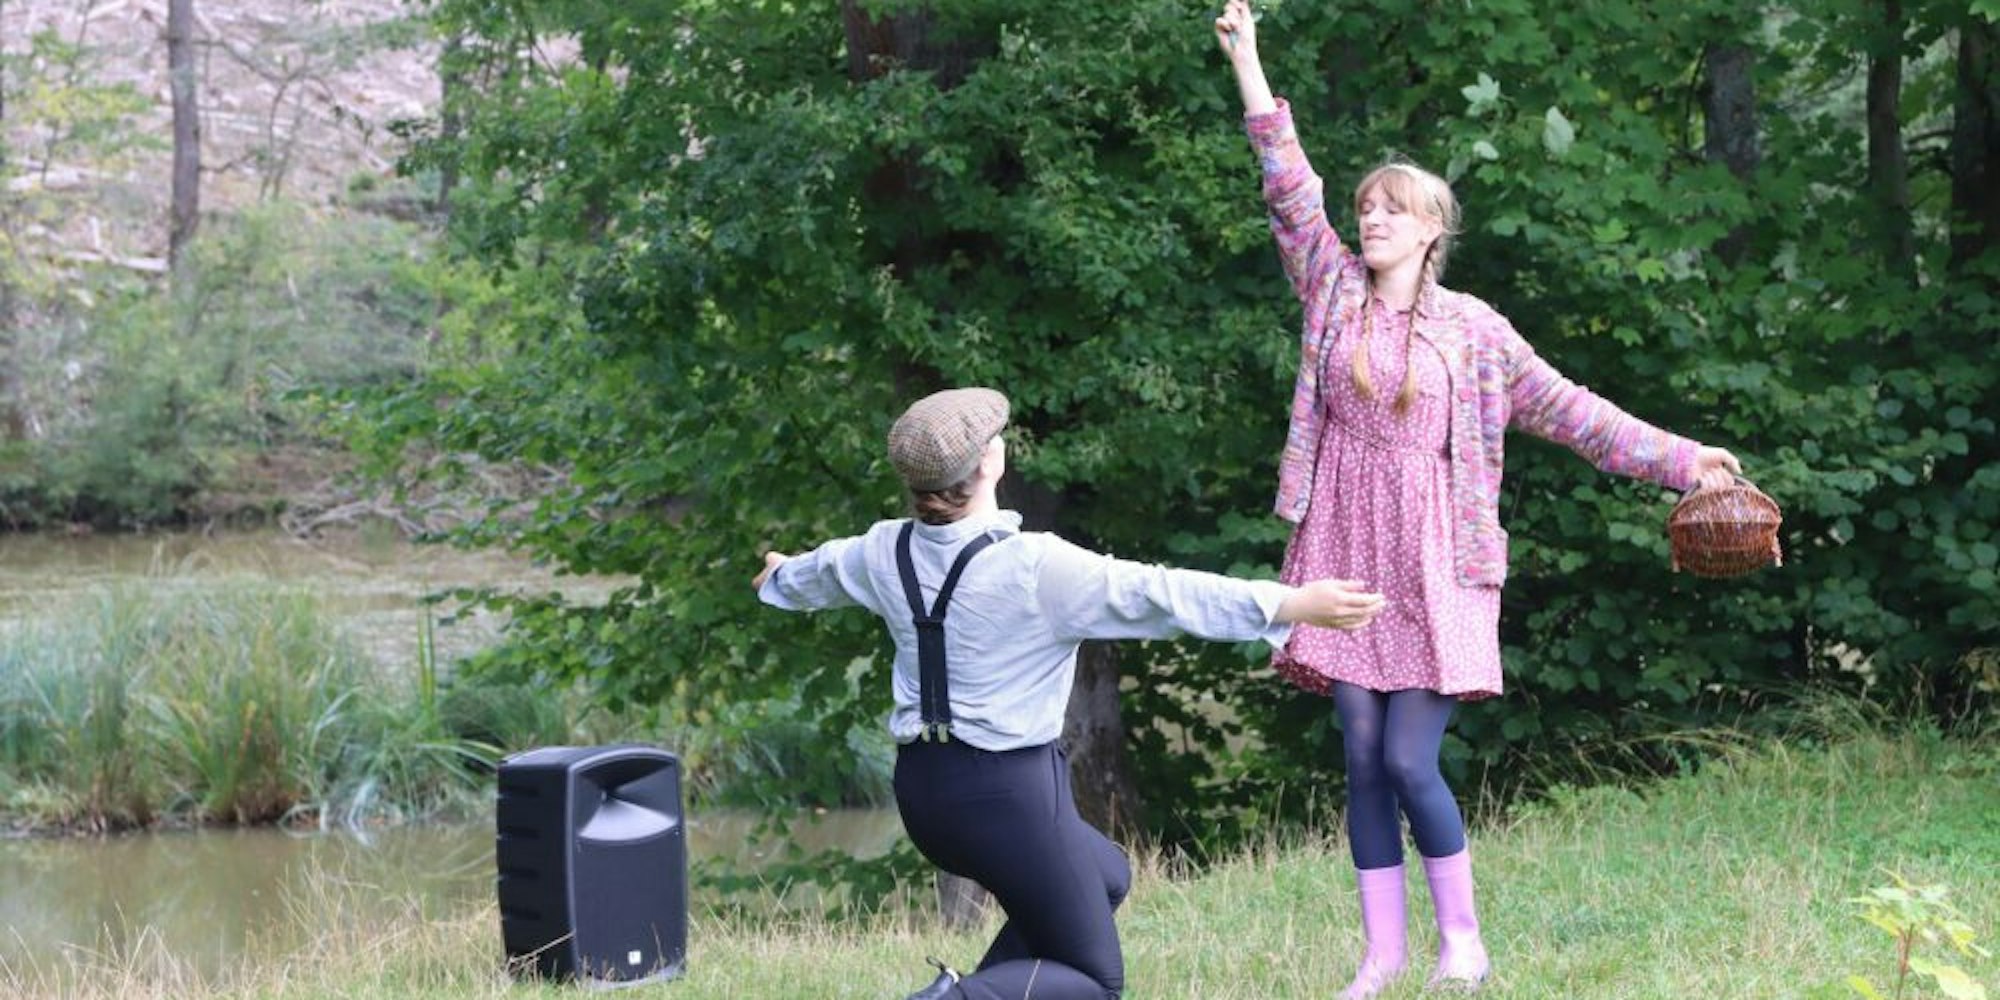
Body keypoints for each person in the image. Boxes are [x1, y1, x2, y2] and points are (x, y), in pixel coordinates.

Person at [1211, 2, 1744, 995]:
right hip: (1344, 546)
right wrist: (1248, 61)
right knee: (1360, 755)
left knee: (1409, 761)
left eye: (1391, 210)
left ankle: (1462, 940)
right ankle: (1381, 955)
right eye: (1365, 207)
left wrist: (1684, 462)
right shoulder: (1329, 289)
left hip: (1439, 558)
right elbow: (1288, 184)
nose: (1370, 219)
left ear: (1431, 231)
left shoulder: (1475, 332)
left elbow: (1576, 413)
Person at [753, 386, 1388, 1000]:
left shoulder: (881, 549)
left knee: (1107, 875)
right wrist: (1290, 604)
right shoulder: (1035, 566)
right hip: (1007, 796)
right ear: (989, 462)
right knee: (1095, 981)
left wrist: (779, 577)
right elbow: (1160, 594)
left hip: (923, 793)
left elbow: (809, 574)